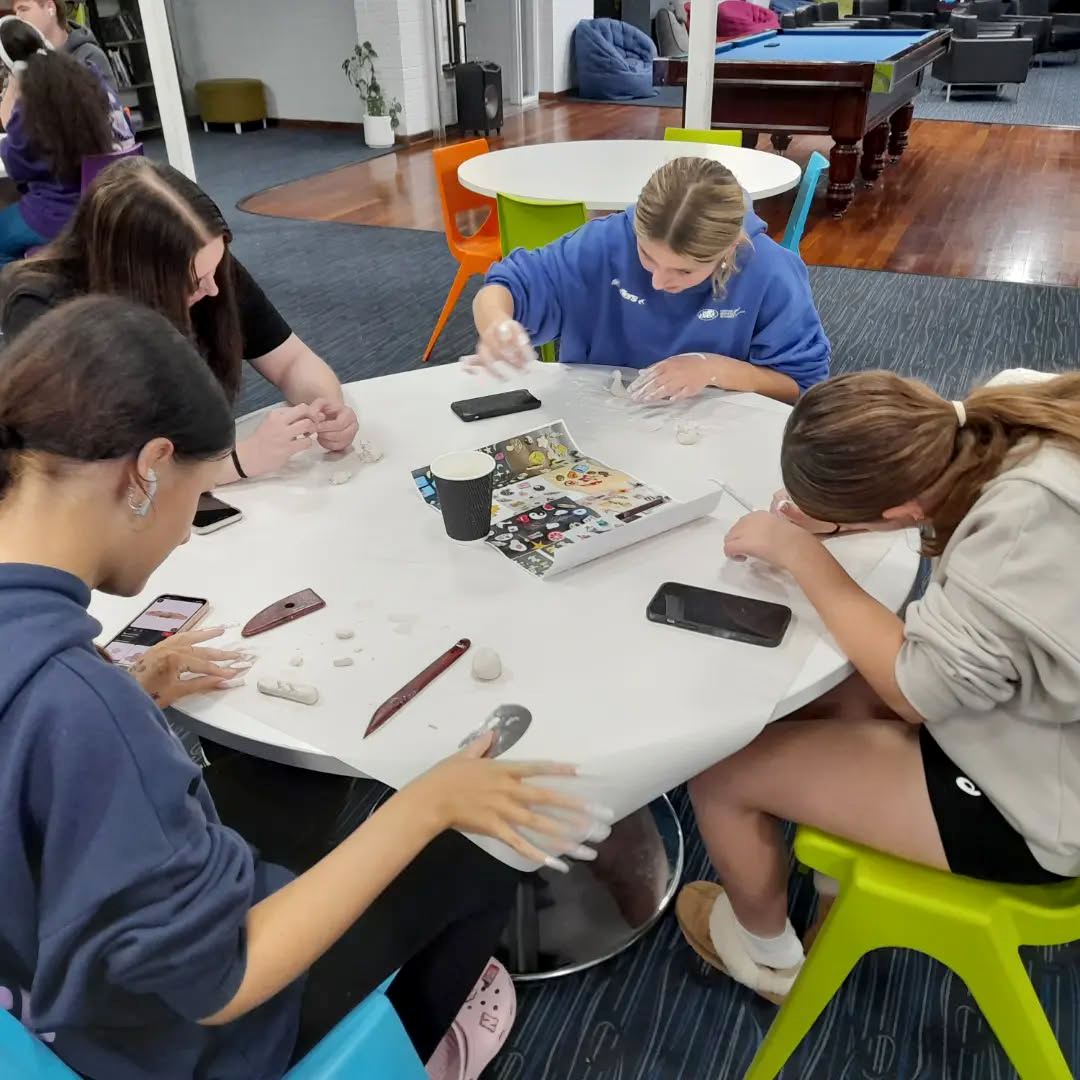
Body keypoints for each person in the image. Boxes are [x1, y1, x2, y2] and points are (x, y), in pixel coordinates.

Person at [0, 295, 608, 1080]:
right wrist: (429, 804)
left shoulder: (63, 690)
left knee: (273, 777)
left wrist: (130, 688)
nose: (187, 526)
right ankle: (408, 1044)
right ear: (148, 470)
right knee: (483, 848)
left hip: (38, 982)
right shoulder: (80, 710)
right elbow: (221, 983)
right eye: (195, 490)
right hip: (170, 1042)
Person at [676, 370, 1080, 1002]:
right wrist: (845, 523)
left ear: (901, 510)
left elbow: (915, 693)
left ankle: (770, 962)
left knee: (721, 774)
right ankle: (838, 879)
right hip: (1040, 721)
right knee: (826, 700)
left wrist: (804, 555)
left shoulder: (1021, 531)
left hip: (1044, 806)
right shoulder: (1007, 406)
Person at [0, 158, 359, 483]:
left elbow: (292, 360)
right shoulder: (44, 309)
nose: (214, 288)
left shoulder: (204, 266)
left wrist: (325, 409)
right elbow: (96, 474)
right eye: (194, 281)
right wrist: (237, 463)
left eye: (216, 268)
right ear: (138, 276)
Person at [468, 156, 830, 405]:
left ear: (731, 249)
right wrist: (498, 325)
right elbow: (507, 285)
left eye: (685, 271)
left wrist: (711, 368)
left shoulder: (771, 272)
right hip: (598, 418)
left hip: (709, 427)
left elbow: (798, 385)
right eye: (646, 257)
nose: (659, 281)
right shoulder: (604, 243)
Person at [0, 15, 133, 263]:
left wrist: (13, 93)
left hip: (63, 212)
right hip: (116, 202)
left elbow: (18, 166)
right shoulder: (89, 76)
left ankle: (22, 299)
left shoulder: (32, 100)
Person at [11, 0, 116, 90]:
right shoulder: (28, 60)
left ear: (50, 8)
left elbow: (106, 110)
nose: (18, 17)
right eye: (16, 12)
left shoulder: (89, 57)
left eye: (23, 9)